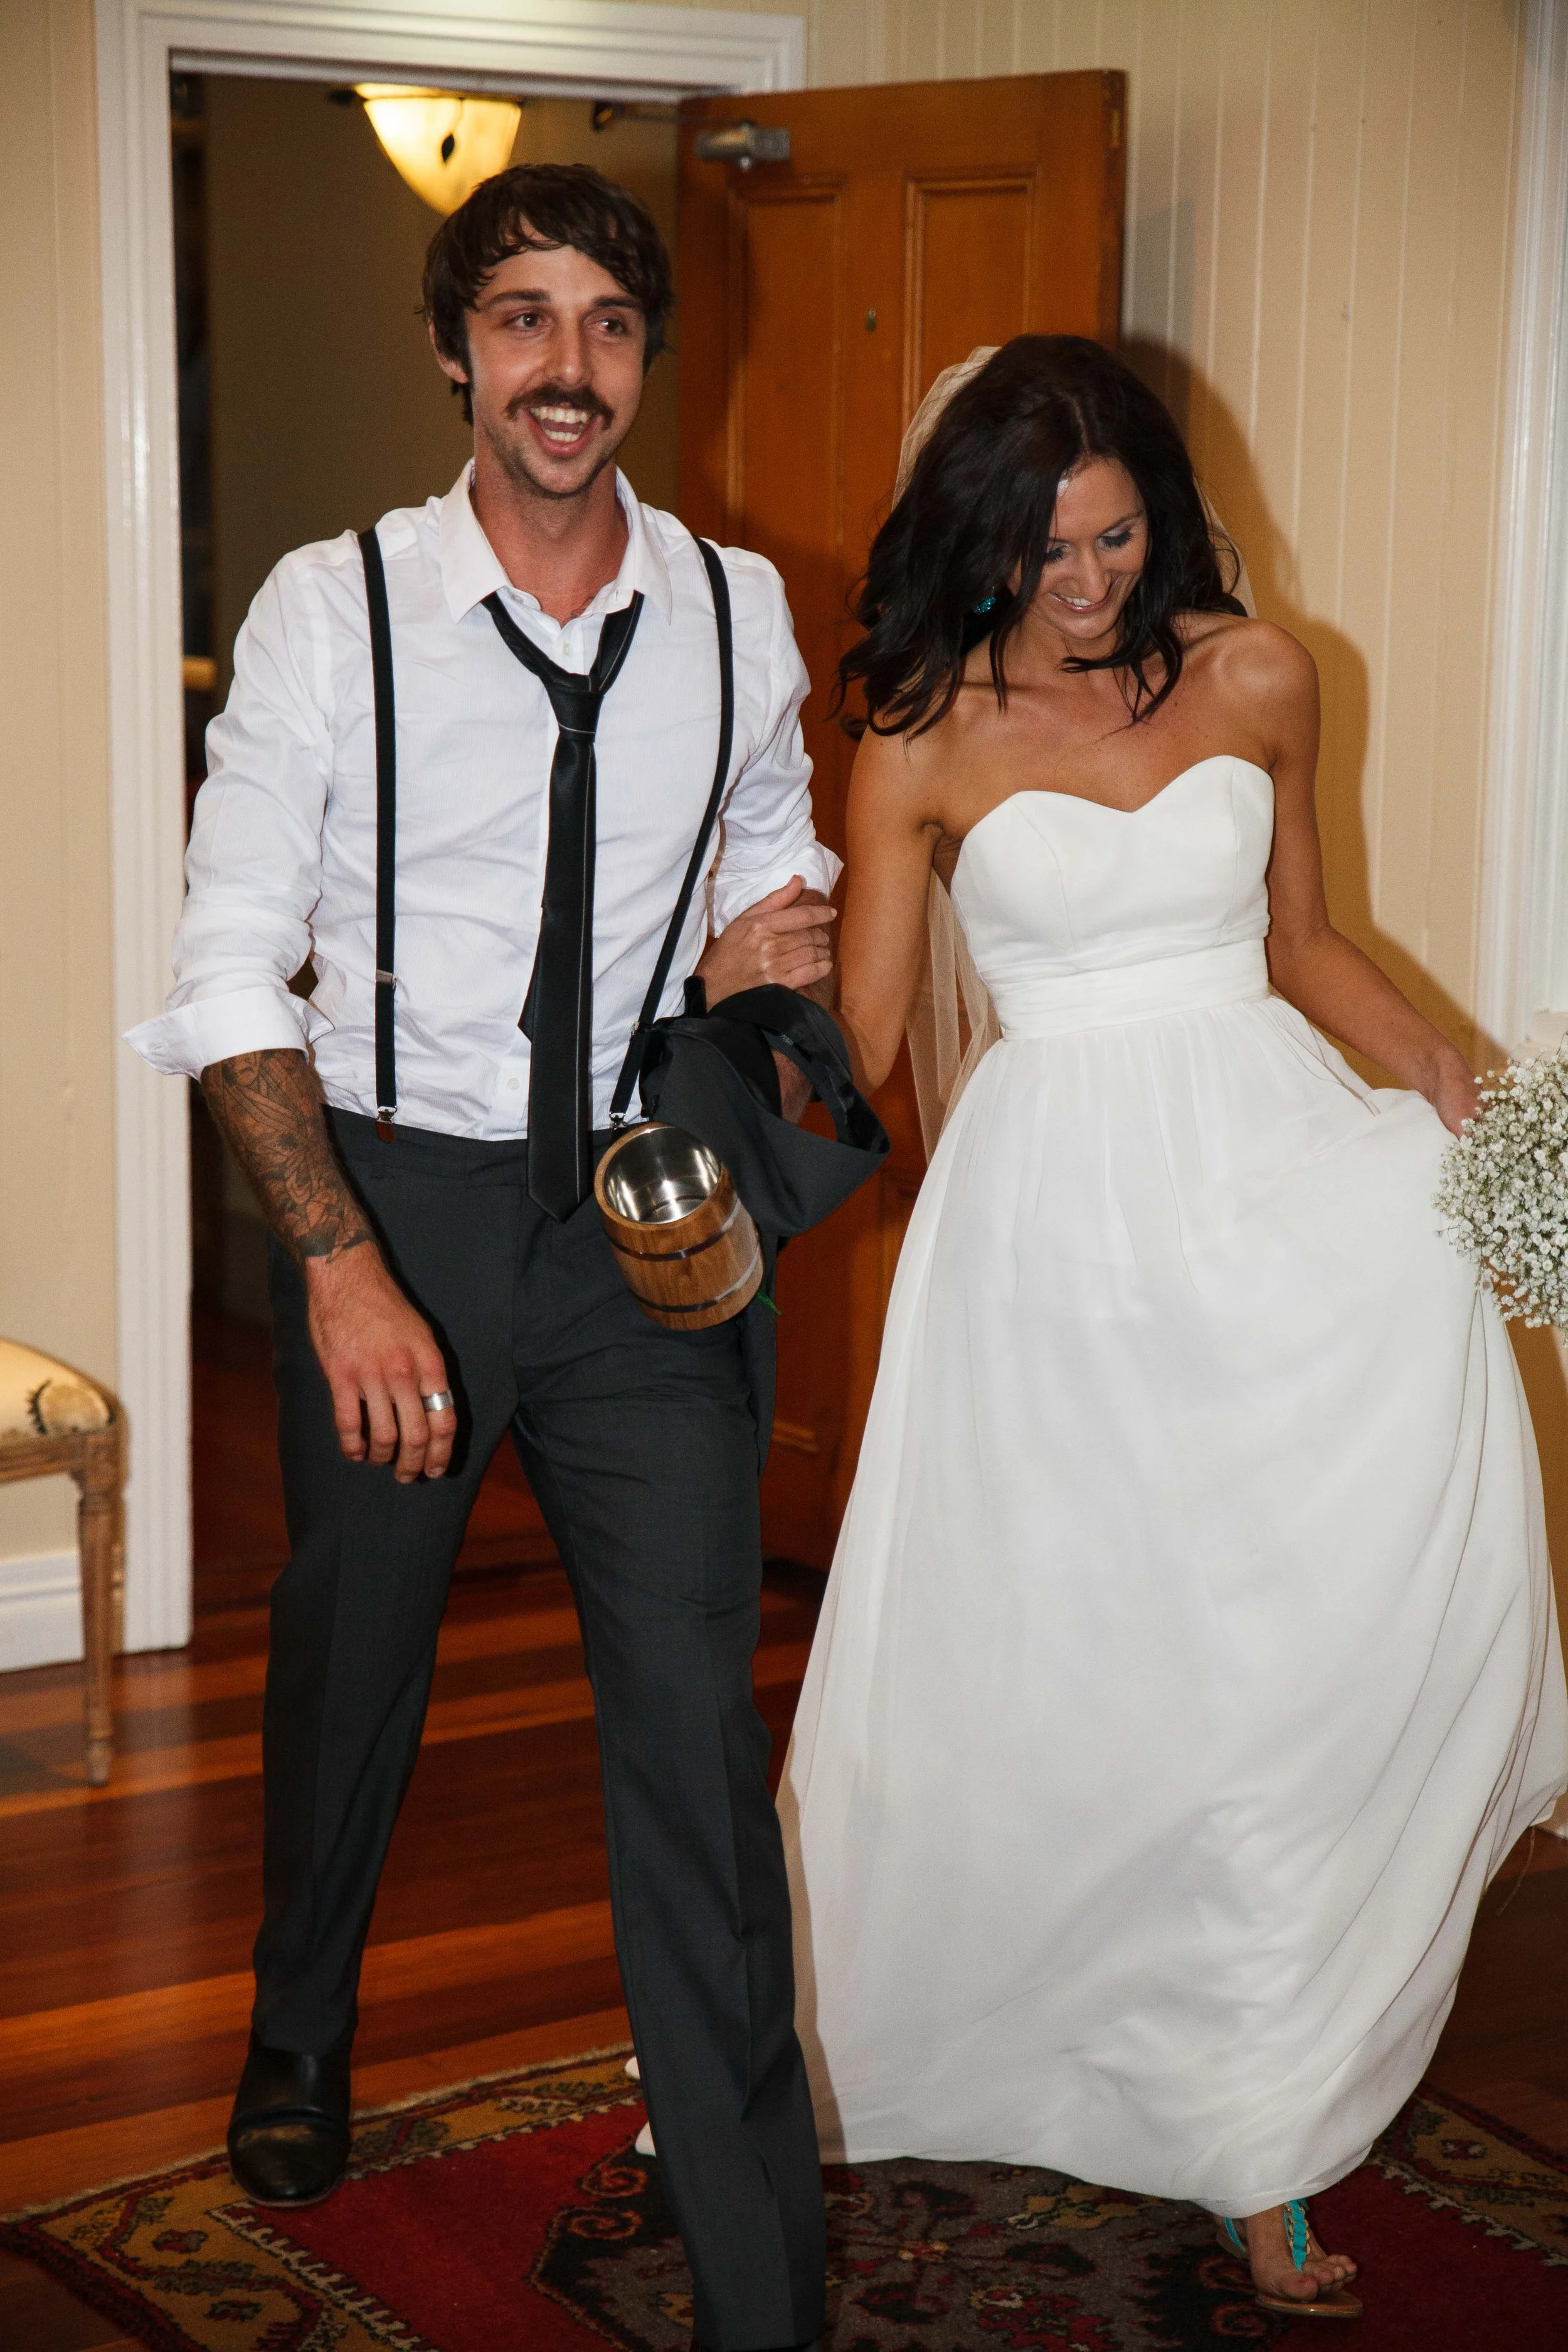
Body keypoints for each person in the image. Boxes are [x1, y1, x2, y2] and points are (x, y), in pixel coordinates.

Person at [778, 335, 1568, 2323]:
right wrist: (734, 1005)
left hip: (1261, 1186)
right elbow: (863, 1046)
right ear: (981, 537)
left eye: (1115, 533)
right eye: (1043, 546)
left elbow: (1303, 942)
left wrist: (1473, 1102)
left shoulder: (1258, 674)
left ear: (1161, 508)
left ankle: (1264, 2123)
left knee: (1267, 1665)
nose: (1085, 579)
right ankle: (1001, 2027)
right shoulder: (921, 735)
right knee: (1082, 1652)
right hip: (1043, 1245)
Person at [129, 164, 834, 2352]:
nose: (565, 366)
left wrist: (768, 936)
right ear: (456, 349)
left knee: (695, 1738)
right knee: (357, 1654)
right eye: (520, 320)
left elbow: (774, 839)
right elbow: (231, 965)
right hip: (399, 1198)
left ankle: (757, 2282)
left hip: (635, 1223)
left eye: (607, 325)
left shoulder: (734, 606)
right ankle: (298, 2028)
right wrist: (338, 1267)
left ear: (645, 358)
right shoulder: (335, 608)